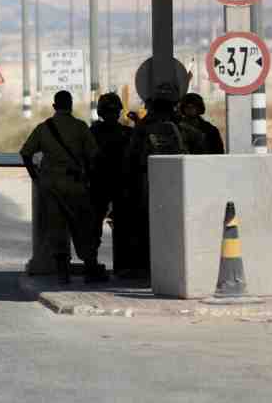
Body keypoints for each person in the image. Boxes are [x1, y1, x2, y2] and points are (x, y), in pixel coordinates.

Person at [20, 90, 107, 285]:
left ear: (54, 106)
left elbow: (25, 153)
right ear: (71, 105)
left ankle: (62, 273)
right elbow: (94, 157)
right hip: (75, 185)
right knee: (83, 225)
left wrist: (36, 177)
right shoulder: (80, 127)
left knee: (56, 227)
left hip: (51, 187)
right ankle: (90, 268)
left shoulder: (43, 128)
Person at [122, 82, 204, 278]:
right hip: (181, 184)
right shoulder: (184, 127)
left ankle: (149, 269)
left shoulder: (144, 128)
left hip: (148, 183)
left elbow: (130, 158)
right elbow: (203, 153)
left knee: (147, 226)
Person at [90, 93, 133, 272]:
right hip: (107, 184)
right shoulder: (126, 133)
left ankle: (93, 264)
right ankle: (95, 263)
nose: (111, 115)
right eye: (110, 111)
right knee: (98, 227)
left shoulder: (94, 133)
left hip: (110, 185)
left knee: (115, 227)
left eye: (112, 111)